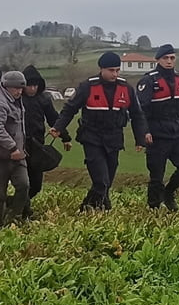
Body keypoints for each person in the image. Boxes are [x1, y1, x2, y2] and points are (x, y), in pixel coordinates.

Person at [51, 51, 152, 211]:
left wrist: (140, 138)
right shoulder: (87, 87)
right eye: (111, 70)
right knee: (101, 181)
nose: (115, 74)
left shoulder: (126, 88)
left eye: (117, 70)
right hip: (92, 138)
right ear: (102, 69)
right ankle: (102, 207)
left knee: (107, 181)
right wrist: (58, 127)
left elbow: (137, 115)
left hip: (114, 139)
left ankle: (89, 207)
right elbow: (70, 109)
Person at [136, 45, 179, 211]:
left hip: (176, 132)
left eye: (172, 58)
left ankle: (169, 193)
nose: (169, 61)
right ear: (158, 60)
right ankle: (153, 207)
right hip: (156, 134)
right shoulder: (148, 81)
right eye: (166, 58)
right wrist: (145, 131)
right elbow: (141, 110)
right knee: (157, 175)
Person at [21, 65, 71, 217]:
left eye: (35, 85)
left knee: (36, 186)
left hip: (37, 146)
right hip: (18, 145)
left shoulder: (44, 99)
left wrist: (65, 137)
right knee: (23, 183)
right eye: (29, 85)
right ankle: (23, 211)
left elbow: (53, 119)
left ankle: (17, 204)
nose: (33, 88)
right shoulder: (15, 98)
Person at [0, 71, 30, 227]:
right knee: (0, 194)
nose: (19, 91)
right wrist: (12, 147)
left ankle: (13, 219)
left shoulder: (16, 99)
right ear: (7, 86)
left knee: (24, 185)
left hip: (17, 154)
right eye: (16, 88)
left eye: (21, 88)